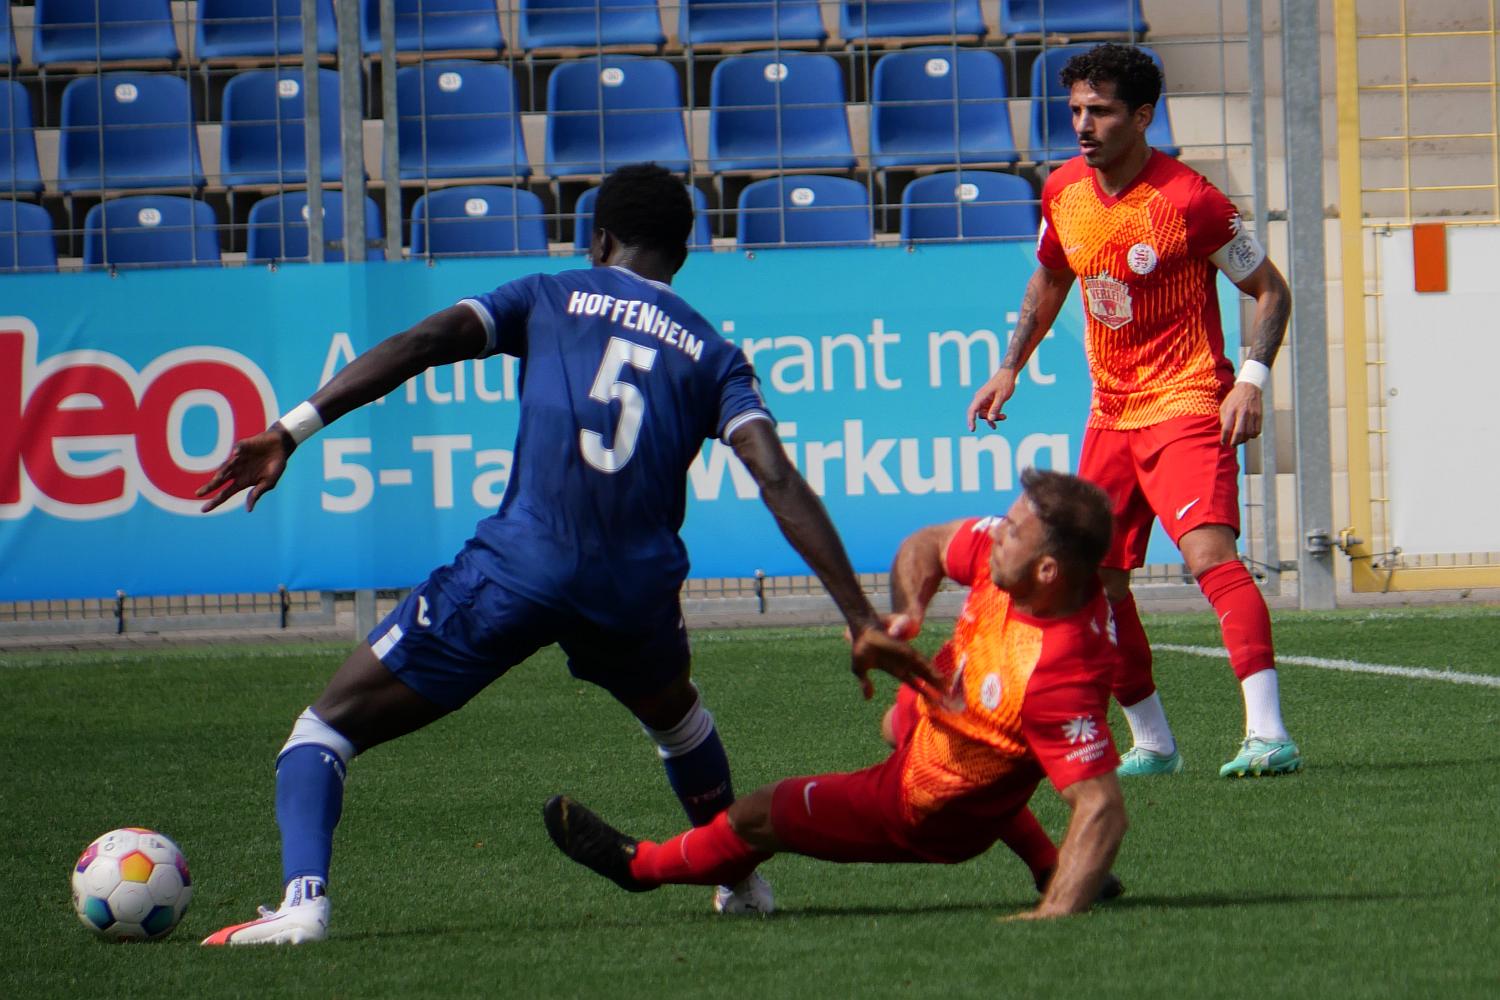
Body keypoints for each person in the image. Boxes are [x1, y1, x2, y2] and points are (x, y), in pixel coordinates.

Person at [195, 164, 937, 946]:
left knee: (324, 729)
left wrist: (291, 429)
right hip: (633, 596)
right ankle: (739, 879)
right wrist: (859, 617)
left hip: (518, 568)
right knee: (679, 722)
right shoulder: (715, 355)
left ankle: (304, 904)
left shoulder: (549, 296)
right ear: (683, 254)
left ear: (602, 239)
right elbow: (776, 476)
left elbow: (424, 341)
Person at [545, 468, 1128, 920]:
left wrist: (1053, 919)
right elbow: (925, 544)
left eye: (1014, 531)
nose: (997, 533)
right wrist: (906, 615)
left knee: (761, 813)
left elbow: (1101, 806)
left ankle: (641, 867)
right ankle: (1051, 863)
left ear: (1048, 572)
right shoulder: (1023, 569)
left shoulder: (1057, 674)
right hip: (952, 720)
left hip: (926, 807)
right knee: (898, 723)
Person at [965, 43, 1300, 779]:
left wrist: (1248, 379)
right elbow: (1052, 278)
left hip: (1185, 401)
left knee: (1210, 556)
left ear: (1142, 116)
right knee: (1093, 585)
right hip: (1110, 414)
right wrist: (1009, 365)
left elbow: (1271, 291)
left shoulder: (1191, 200)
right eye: (1077, 109)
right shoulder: (1063, 192)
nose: (1084, 124)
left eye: (1102, 110)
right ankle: (1152, 742)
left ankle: (1269, 734)